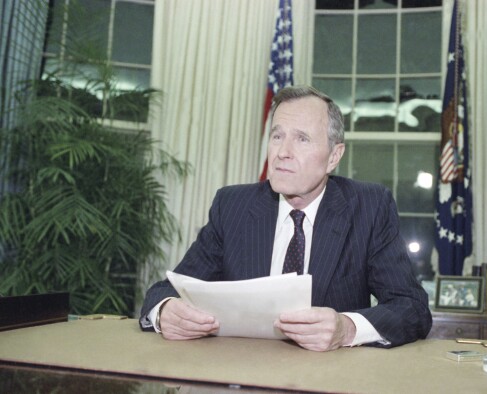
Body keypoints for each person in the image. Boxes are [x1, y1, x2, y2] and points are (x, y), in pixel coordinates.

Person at [139, 85, 432, 351]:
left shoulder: (369, 207)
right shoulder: (233, 206)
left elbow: (411, 308)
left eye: (302, 139)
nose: (282, 152)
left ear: (334, 156)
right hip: (240, 375)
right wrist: (165, 311)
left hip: (327, 380)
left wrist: (347, 328)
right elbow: (167, 290)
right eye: (277, 136)